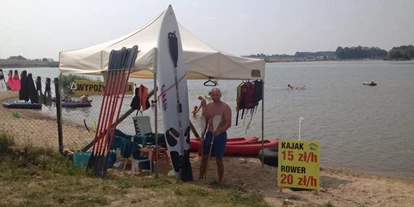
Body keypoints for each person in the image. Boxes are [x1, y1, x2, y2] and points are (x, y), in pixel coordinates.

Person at [199, 88, 232, 183]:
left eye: (217, 95)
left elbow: (228, 123)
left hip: (220, 135)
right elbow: (204, 121)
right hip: (209, 134)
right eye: (213, 95)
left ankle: (220, 180)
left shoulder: (225, 107)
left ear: (220, 95)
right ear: (211, 95)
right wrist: (202, 135)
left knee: (219, 158)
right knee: (204, 157)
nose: (215, 97)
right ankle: (201, 177)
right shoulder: (208, 107)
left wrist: (219, 131)